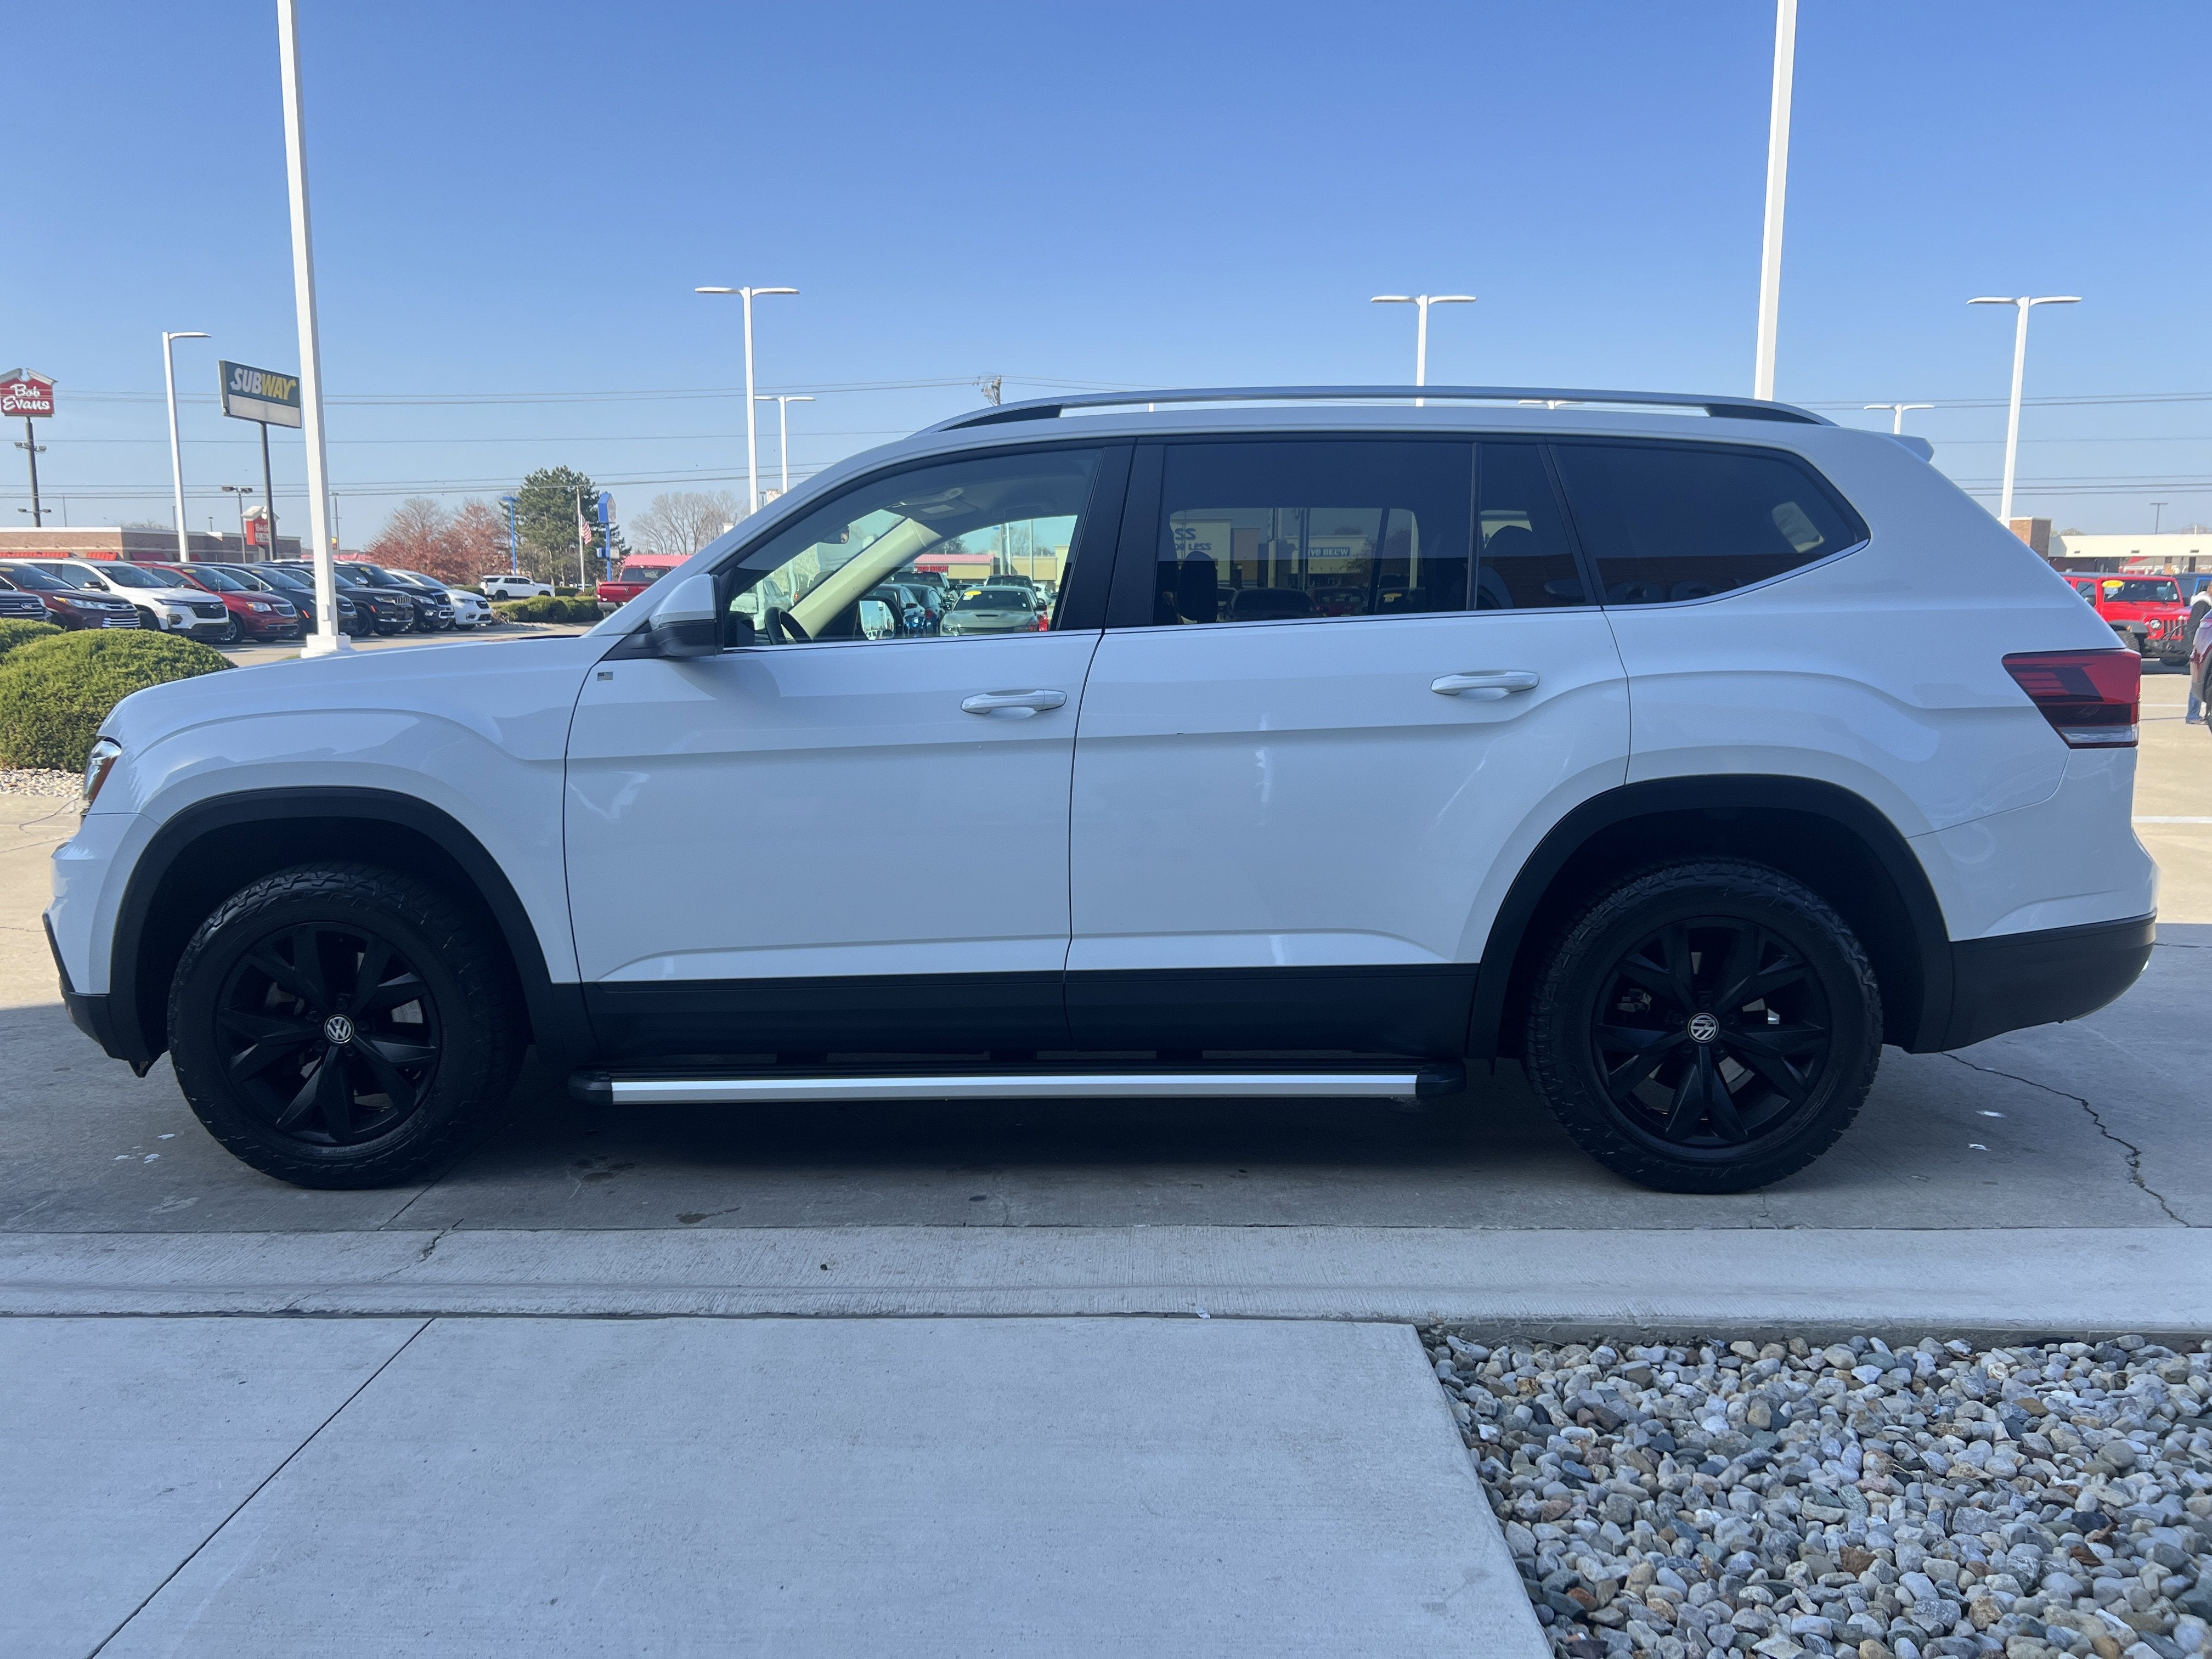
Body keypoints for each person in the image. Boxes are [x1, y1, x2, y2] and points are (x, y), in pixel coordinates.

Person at [2187, 586, 2212, 724]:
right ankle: (2192, 715)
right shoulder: (2203, 604)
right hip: (2199, 647)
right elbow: (2193, 627)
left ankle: (2194, 714)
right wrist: (2194, 648)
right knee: (2198, 680)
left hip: (2201, 647)